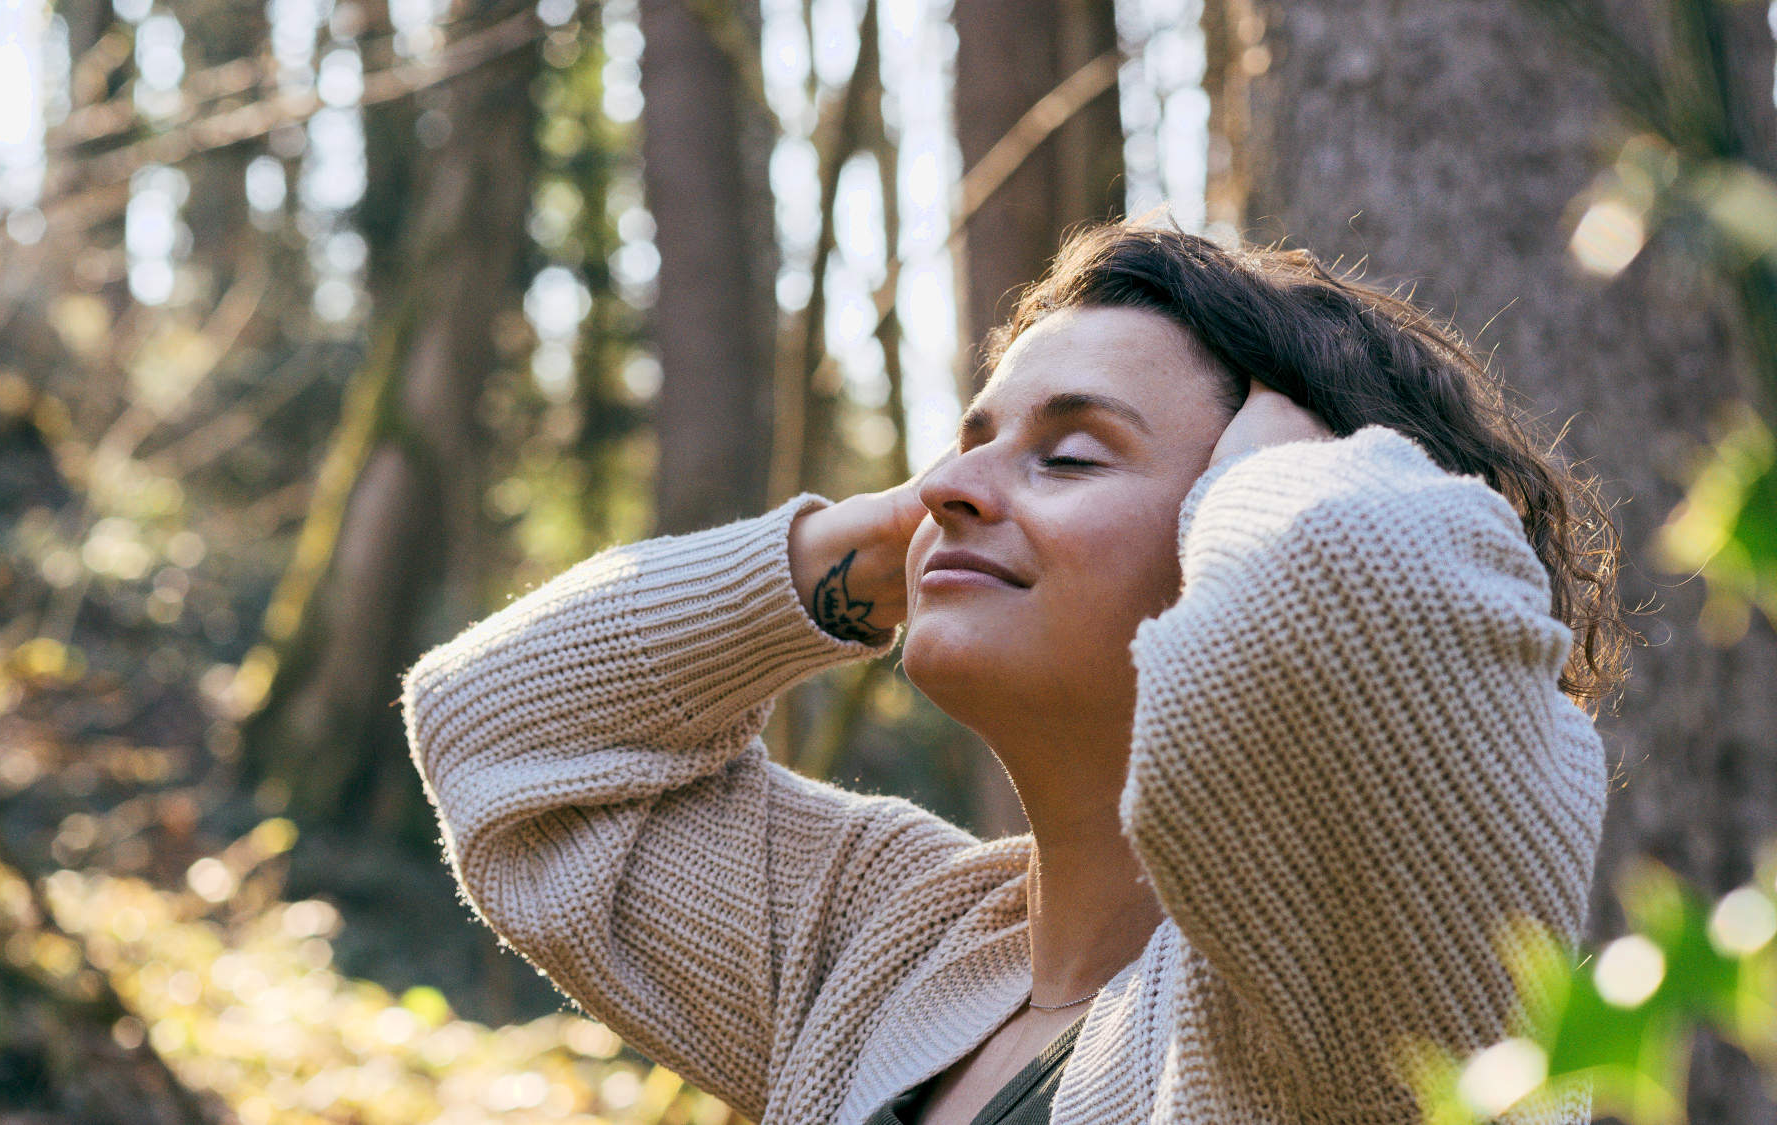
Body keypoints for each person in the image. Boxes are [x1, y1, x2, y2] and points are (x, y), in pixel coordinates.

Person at [400, 222, 1631, 1124]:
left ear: (1245, 523)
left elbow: (1360, 583)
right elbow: (502, 732)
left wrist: (1284, 465)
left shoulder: (1375, 1001)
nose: (948, 482)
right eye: (970, 438)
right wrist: (904, 534)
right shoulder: (891, 948)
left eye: (1074, 455)